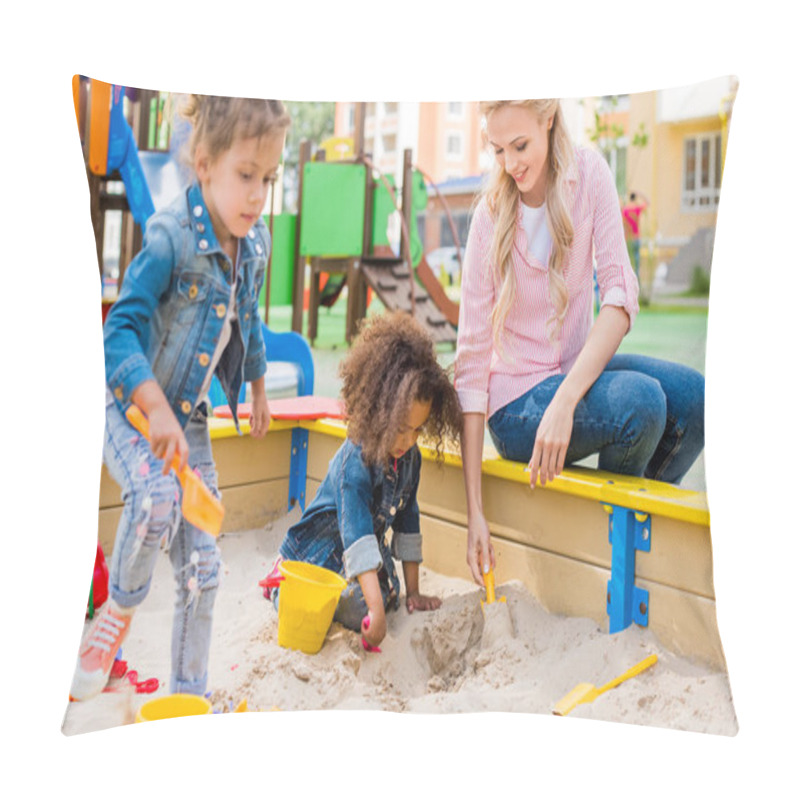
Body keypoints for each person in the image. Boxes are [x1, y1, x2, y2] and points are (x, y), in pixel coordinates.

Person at [70, 94, 291, 700]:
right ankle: (115, 614)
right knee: (156, 495)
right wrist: (155, 407)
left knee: (204, 566)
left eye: (266, 179)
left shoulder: (256, 244)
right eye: (245, 176)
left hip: (185, 419)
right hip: (128, 402)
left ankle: (187, 696)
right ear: (204, 165)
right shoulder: (170, 235)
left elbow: (246, 318)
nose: (256, 195)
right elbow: (117, 330)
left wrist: (255, 388)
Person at [455, 100, 704, 587]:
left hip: (569, 380)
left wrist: (567, 397)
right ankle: (606, 559)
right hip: (517, 406)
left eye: (520, 145)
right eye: (498, 149)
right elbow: (470, 366)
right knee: (641, 405)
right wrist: (474, 513)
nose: (510, 164)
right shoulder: (488, 219)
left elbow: (619, 292)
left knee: (696, 399)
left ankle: (629, 541)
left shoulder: (589, 173)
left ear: (549, 118)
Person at [263, 312, 463, 651]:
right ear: (378, 411)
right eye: (401, 428)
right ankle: (283, 583)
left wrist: (413, 592)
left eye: (418, 429)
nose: (409, 440)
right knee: (363, 605)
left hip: (363, 556)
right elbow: (356, 534)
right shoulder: (353, 461)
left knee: (390, 597)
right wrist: (373, 609)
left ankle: (355, 598)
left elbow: (408, 519)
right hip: (320, 551)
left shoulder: (409, 459)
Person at [622, 191, 649, 278]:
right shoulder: (637, 208)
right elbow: (647, 203)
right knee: (637, 259)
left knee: (628, 260)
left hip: (628, 238)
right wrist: (640, 194)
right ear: (635, 198)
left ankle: (628, 277)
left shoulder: (625, 210)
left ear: (630, 199)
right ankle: (636, 277)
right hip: (636, 237)